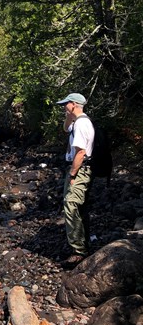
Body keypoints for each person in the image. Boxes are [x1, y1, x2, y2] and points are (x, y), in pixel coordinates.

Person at [56, 92, 95, 268]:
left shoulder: (81, 124)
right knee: (79, 206)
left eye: (66, 104)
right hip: (80, 169)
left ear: (73, 104)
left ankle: (79, 252)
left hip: (79, 169)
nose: (64, 107)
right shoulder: (77, 123)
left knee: (71, 205)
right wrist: (68, 117)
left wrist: (72, 175)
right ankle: (84, 244)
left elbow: (80, 152)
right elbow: (65, 129)